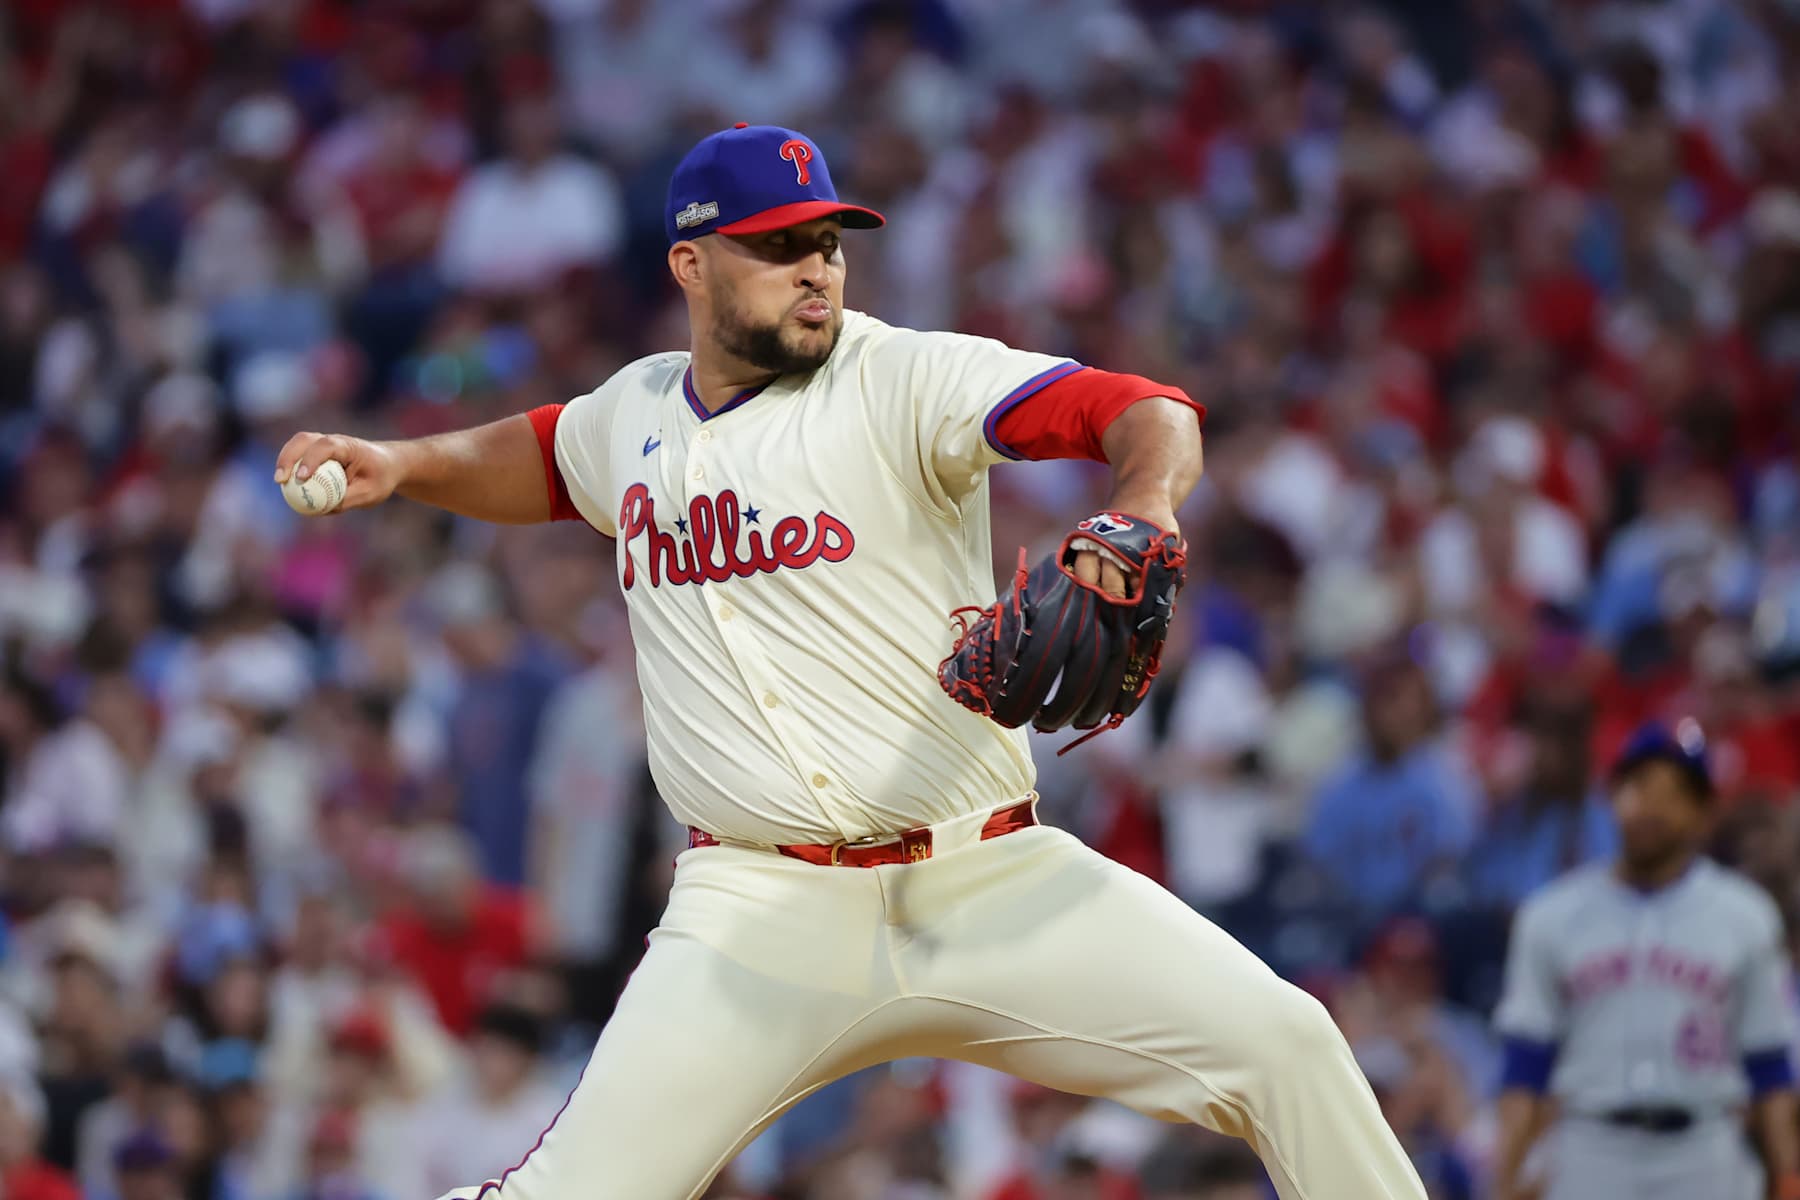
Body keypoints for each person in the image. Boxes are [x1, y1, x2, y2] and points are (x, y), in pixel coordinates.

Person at [275, 123, 1425, 1199]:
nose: (817, 268)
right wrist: (401, 463)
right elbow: (538, 455)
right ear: (692, 265)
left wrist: (1141, 506)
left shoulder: (901, 376)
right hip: (756, 914)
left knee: (1289, 1045)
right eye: (779, 248)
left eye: (827, 241)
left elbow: (1143, 409)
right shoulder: (631, 414)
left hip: (989, 882)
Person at [1491, 721, 1800, 1200]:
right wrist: (1505, 1177)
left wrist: (1788, 1176)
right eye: (1638, 786)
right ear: (1612, 797)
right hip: (1591, 1147)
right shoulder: (1550, 916)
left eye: (1675, 793)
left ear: (1703, 813)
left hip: (1706, 1146)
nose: (1652, 806)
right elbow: (1525, 1066)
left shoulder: (1746, 916)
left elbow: (1769, 1065)